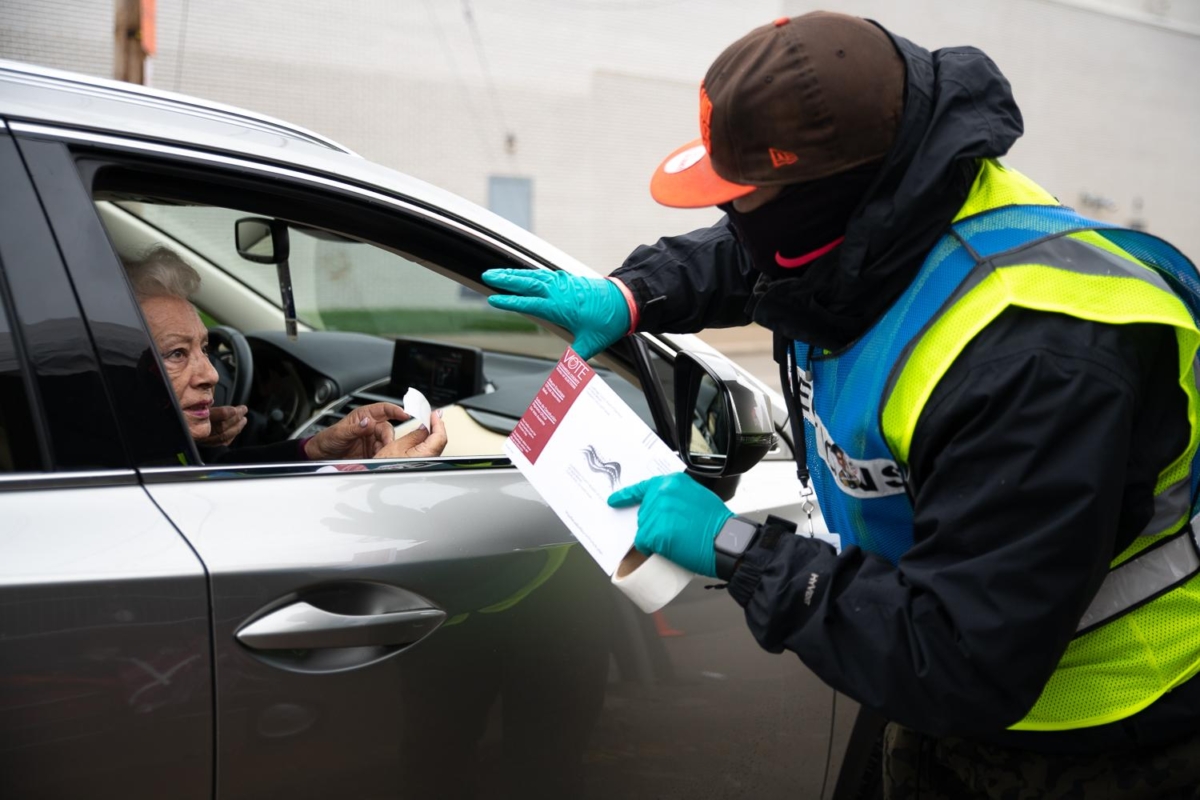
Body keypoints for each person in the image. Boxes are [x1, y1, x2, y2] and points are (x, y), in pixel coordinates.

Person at [482, 11, 1200, 798]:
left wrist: (739, 551)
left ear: (825, 203)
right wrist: (635, 295)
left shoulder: (1037, 363)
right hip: (937, 675)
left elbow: (963, 658)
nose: (730, 221)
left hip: (1099, 733)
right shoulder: (891, 205)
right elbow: (765, 257)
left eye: (744, 200)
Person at [124, 245, 446, 463]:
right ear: (116, 368)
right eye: (177, 353)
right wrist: (378, 478)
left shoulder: (136, 450)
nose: (211, 374)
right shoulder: (109, 465)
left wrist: (314, 448)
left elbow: (218, 482)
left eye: (205, 349)